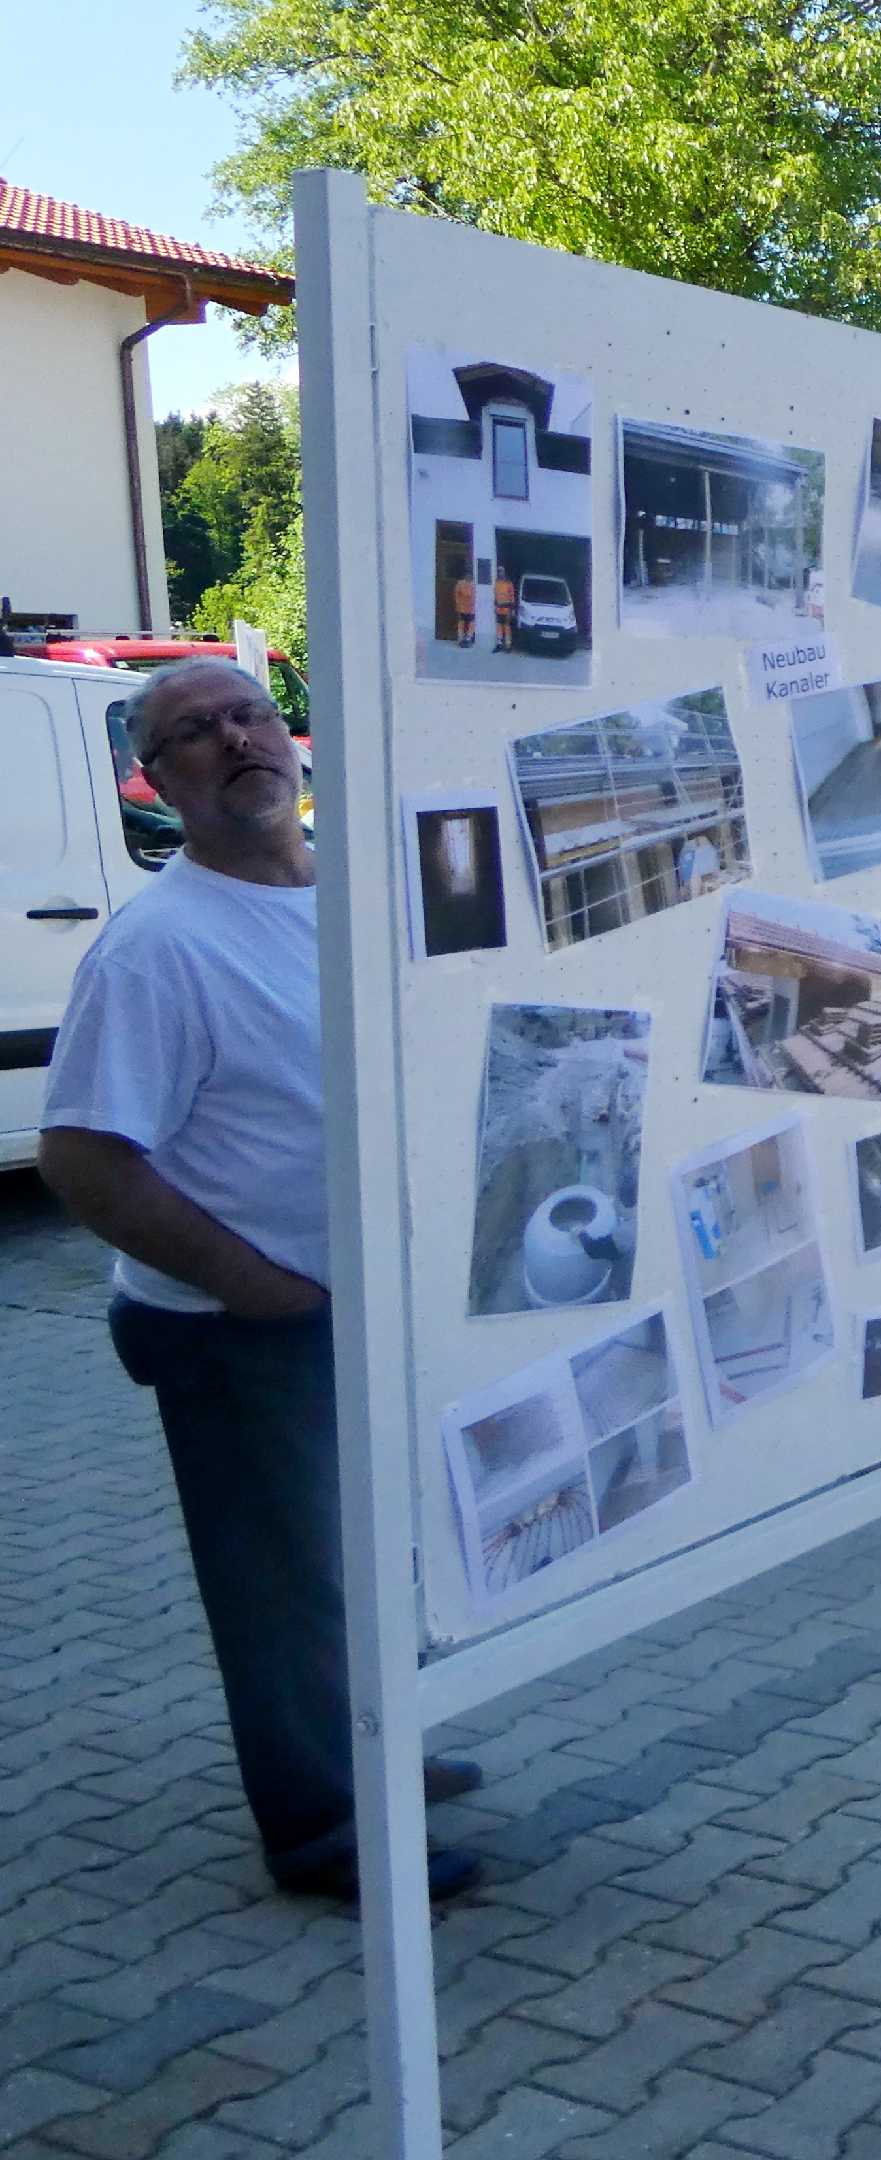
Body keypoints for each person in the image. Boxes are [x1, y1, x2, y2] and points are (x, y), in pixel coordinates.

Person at [37, 660, 482, 1905]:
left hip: (370, 1307)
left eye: (248, 715)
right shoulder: (158, 947)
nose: (234, 740)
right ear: (155, 779)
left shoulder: (355, 890)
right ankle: (319, 1827)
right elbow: (83, 1159)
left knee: (363, 1560)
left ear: (288, 736)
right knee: (282, 1582)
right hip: (240, 1330)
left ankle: (372, 1752)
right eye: (193, 732)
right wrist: (258, 1287)